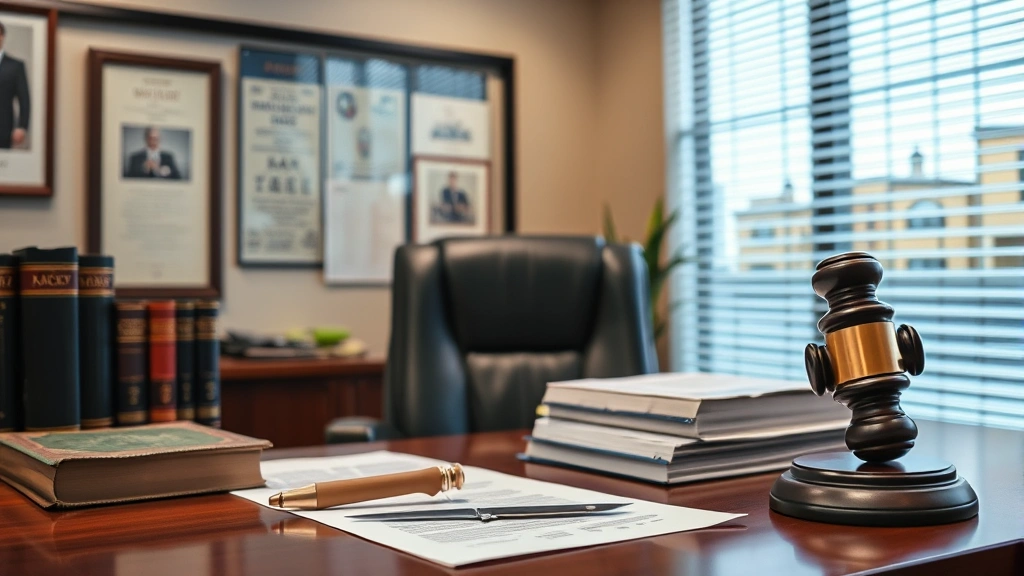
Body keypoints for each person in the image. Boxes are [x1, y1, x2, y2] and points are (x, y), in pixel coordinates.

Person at [0, 20, 30, 150]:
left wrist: (21, 127)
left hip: (3, 128)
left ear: (2, 37)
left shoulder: (15, 66)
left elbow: (24, 98)